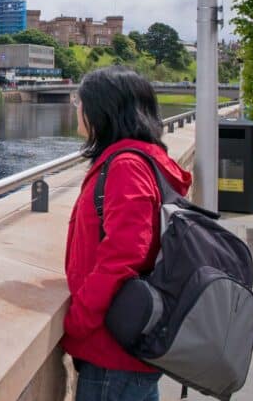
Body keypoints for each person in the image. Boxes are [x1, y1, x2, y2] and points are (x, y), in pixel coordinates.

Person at [63, 66, 192, 401]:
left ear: (103, 110)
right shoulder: (144, 159)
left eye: (81, 101)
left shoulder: (126, 167)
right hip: (125, 348)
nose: (77, 106)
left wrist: (78, 321)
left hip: (113, 353)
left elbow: (123, 256)